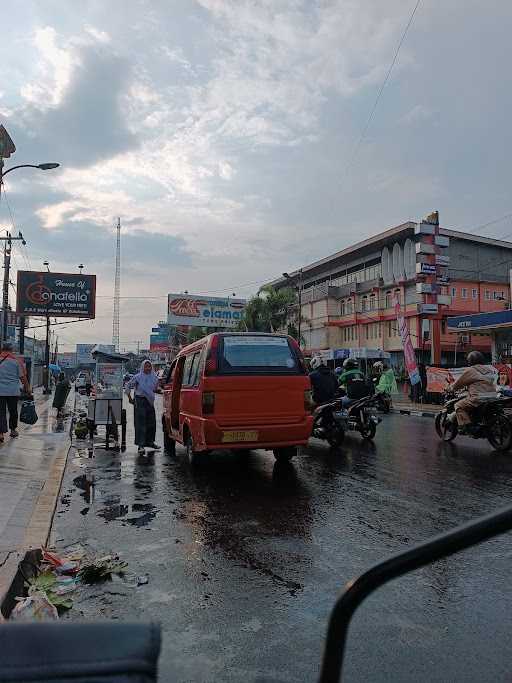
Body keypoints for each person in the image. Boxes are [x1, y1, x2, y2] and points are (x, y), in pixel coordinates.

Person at [447, 351, 497, 432]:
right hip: (492, 396)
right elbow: (481, 382)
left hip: (478, 398)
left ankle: (467, 427)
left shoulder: (470, 370)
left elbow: (458, 384)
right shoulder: (489, 369)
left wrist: (450, 388)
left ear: (470, 360)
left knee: (458, 405)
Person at [125, 359, 161, 456]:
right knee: (140, 423)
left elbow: (155, 389)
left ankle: (150, 442)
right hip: (139, 401)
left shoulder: (154, 377)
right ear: (142, 367)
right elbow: (128, 386)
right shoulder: (137, 377)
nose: (148, 368)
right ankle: (141, 445)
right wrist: (130, 398)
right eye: (146, 366)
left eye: (149, 366)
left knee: (151, 422)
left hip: (150, 402)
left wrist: (160, 391)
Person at [0, 342, 31, 443]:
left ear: (2, 349)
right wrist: (28, 389)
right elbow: (23, 378)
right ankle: (13, 430)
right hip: (13, 391)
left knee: (1, 412)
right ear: (11, 350)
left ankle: (1, 433)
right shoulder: (17, 361)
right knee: (13, 410)